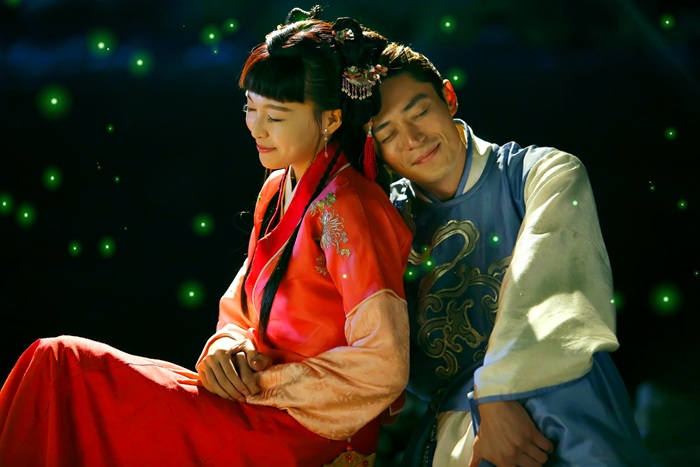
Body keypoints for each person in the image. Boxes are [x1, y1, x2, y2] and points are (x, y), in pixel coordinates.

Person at [0, 7, 412, 466]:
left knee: (63, 368)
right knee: (55, 365)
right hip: (261, 407)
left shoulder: (349, 206)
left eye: (276, 116)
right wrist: (228, 349)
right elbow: (241, 309)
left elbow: (384, 364)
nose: (256, 128)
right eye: (250, 108)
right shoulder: (278, 188)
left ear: (331, 120)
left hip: (304, 428)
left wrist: (263, 382)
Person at [361, 43, 653, 466]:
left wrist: (497, 393)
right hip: (454, 435)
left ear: (448, 97)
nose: (413, 140)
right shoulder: (382, 223)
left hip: (565, 402)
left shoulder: (544, 174)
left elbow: (548, 296)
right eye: (387, 135)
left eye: (420, 112)